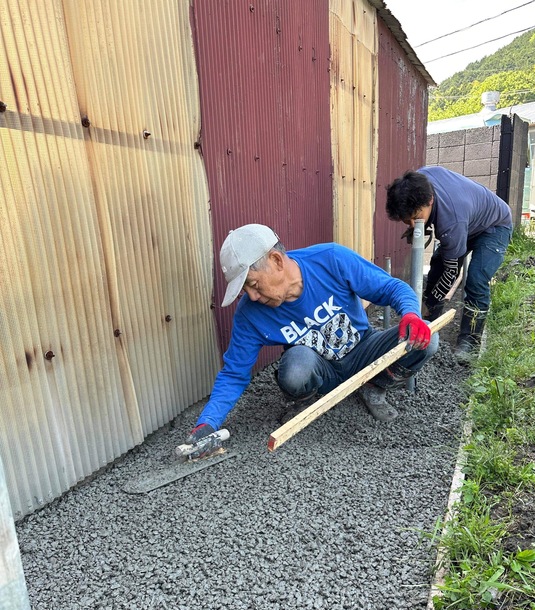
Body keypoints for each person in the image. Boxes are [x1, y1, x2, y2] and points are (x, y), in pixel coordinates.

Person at [184, 224, 439, 449]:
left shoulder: (330, 259)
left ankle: (374, 385)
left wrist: (411, 314)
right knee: (295, 367)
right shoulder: (250, 315)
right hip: (321, 371)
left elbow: (390, 287)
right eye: (244, 290)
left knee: (428, 337)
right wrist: (207, 423)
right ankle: (305, 400)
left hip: (364, 353)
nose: (251, 296)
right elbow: (234, 373)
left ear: (276, 260)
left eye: (252, 284)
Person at [386, 167, 513, 364]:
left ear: (429, 201)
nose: (412, 224)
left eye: (415, 217)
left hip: (494, 226)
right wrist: (419, 223)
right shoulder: (417, 183)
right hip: (467, 221)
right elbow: (443, 264)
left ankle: (469, 340)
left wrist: (430, 302)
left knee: (476, 280)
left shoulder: (451, 220)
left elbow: (452, 271)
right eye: (406, 220)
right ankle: (429, 319)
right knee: (437, 264)